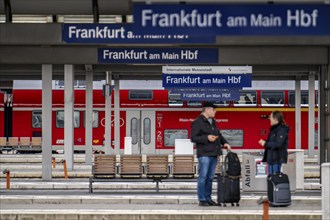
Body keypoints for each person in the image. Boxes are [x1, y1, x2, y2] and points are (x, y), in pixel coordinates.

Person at [191, 101, 231, 206]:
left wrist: (225, 142)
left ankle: (208, 198)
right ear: (207, 109)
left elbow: (219, 134)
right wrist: (207, 138)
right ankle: (202, 199)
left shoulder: (213, 122)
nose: (215, 112)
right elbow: (193, 138)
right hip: (204, 154)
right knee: (203, 177)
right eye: (214, 110)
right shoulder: (197, 122)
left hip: (214, 153)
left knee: (210, 177)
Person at [258, 110, 289, 175]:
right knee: (271, 179)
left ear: (275, 119)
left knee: (275, 178)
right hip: (271, 159)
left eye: (271, 118)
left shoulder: (281, 130)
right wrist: (265, 142)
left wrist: (265, 143)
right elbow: (272, 142)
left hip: (277, 159)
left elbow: (278, 144)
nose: (269, 119)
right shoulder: (274, 130)